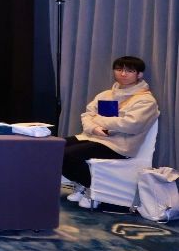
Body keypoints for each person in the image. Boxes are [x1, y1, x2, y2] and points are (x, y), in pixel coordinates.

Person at [64, 56, 160, 205]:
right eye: (119, 69)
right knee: (55, 147)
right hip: (93, 137)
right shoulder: (106, 94)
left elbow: (130, 124)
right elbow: (87, 115)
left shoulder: (146, 100)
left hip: (119, 145)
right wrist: (94, 128)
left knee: (68, 155)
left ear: (139, 74)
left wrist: (98, 119)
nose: (123, 74)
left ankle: (93, 191)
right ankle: (83, 184)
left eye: (129, 71)